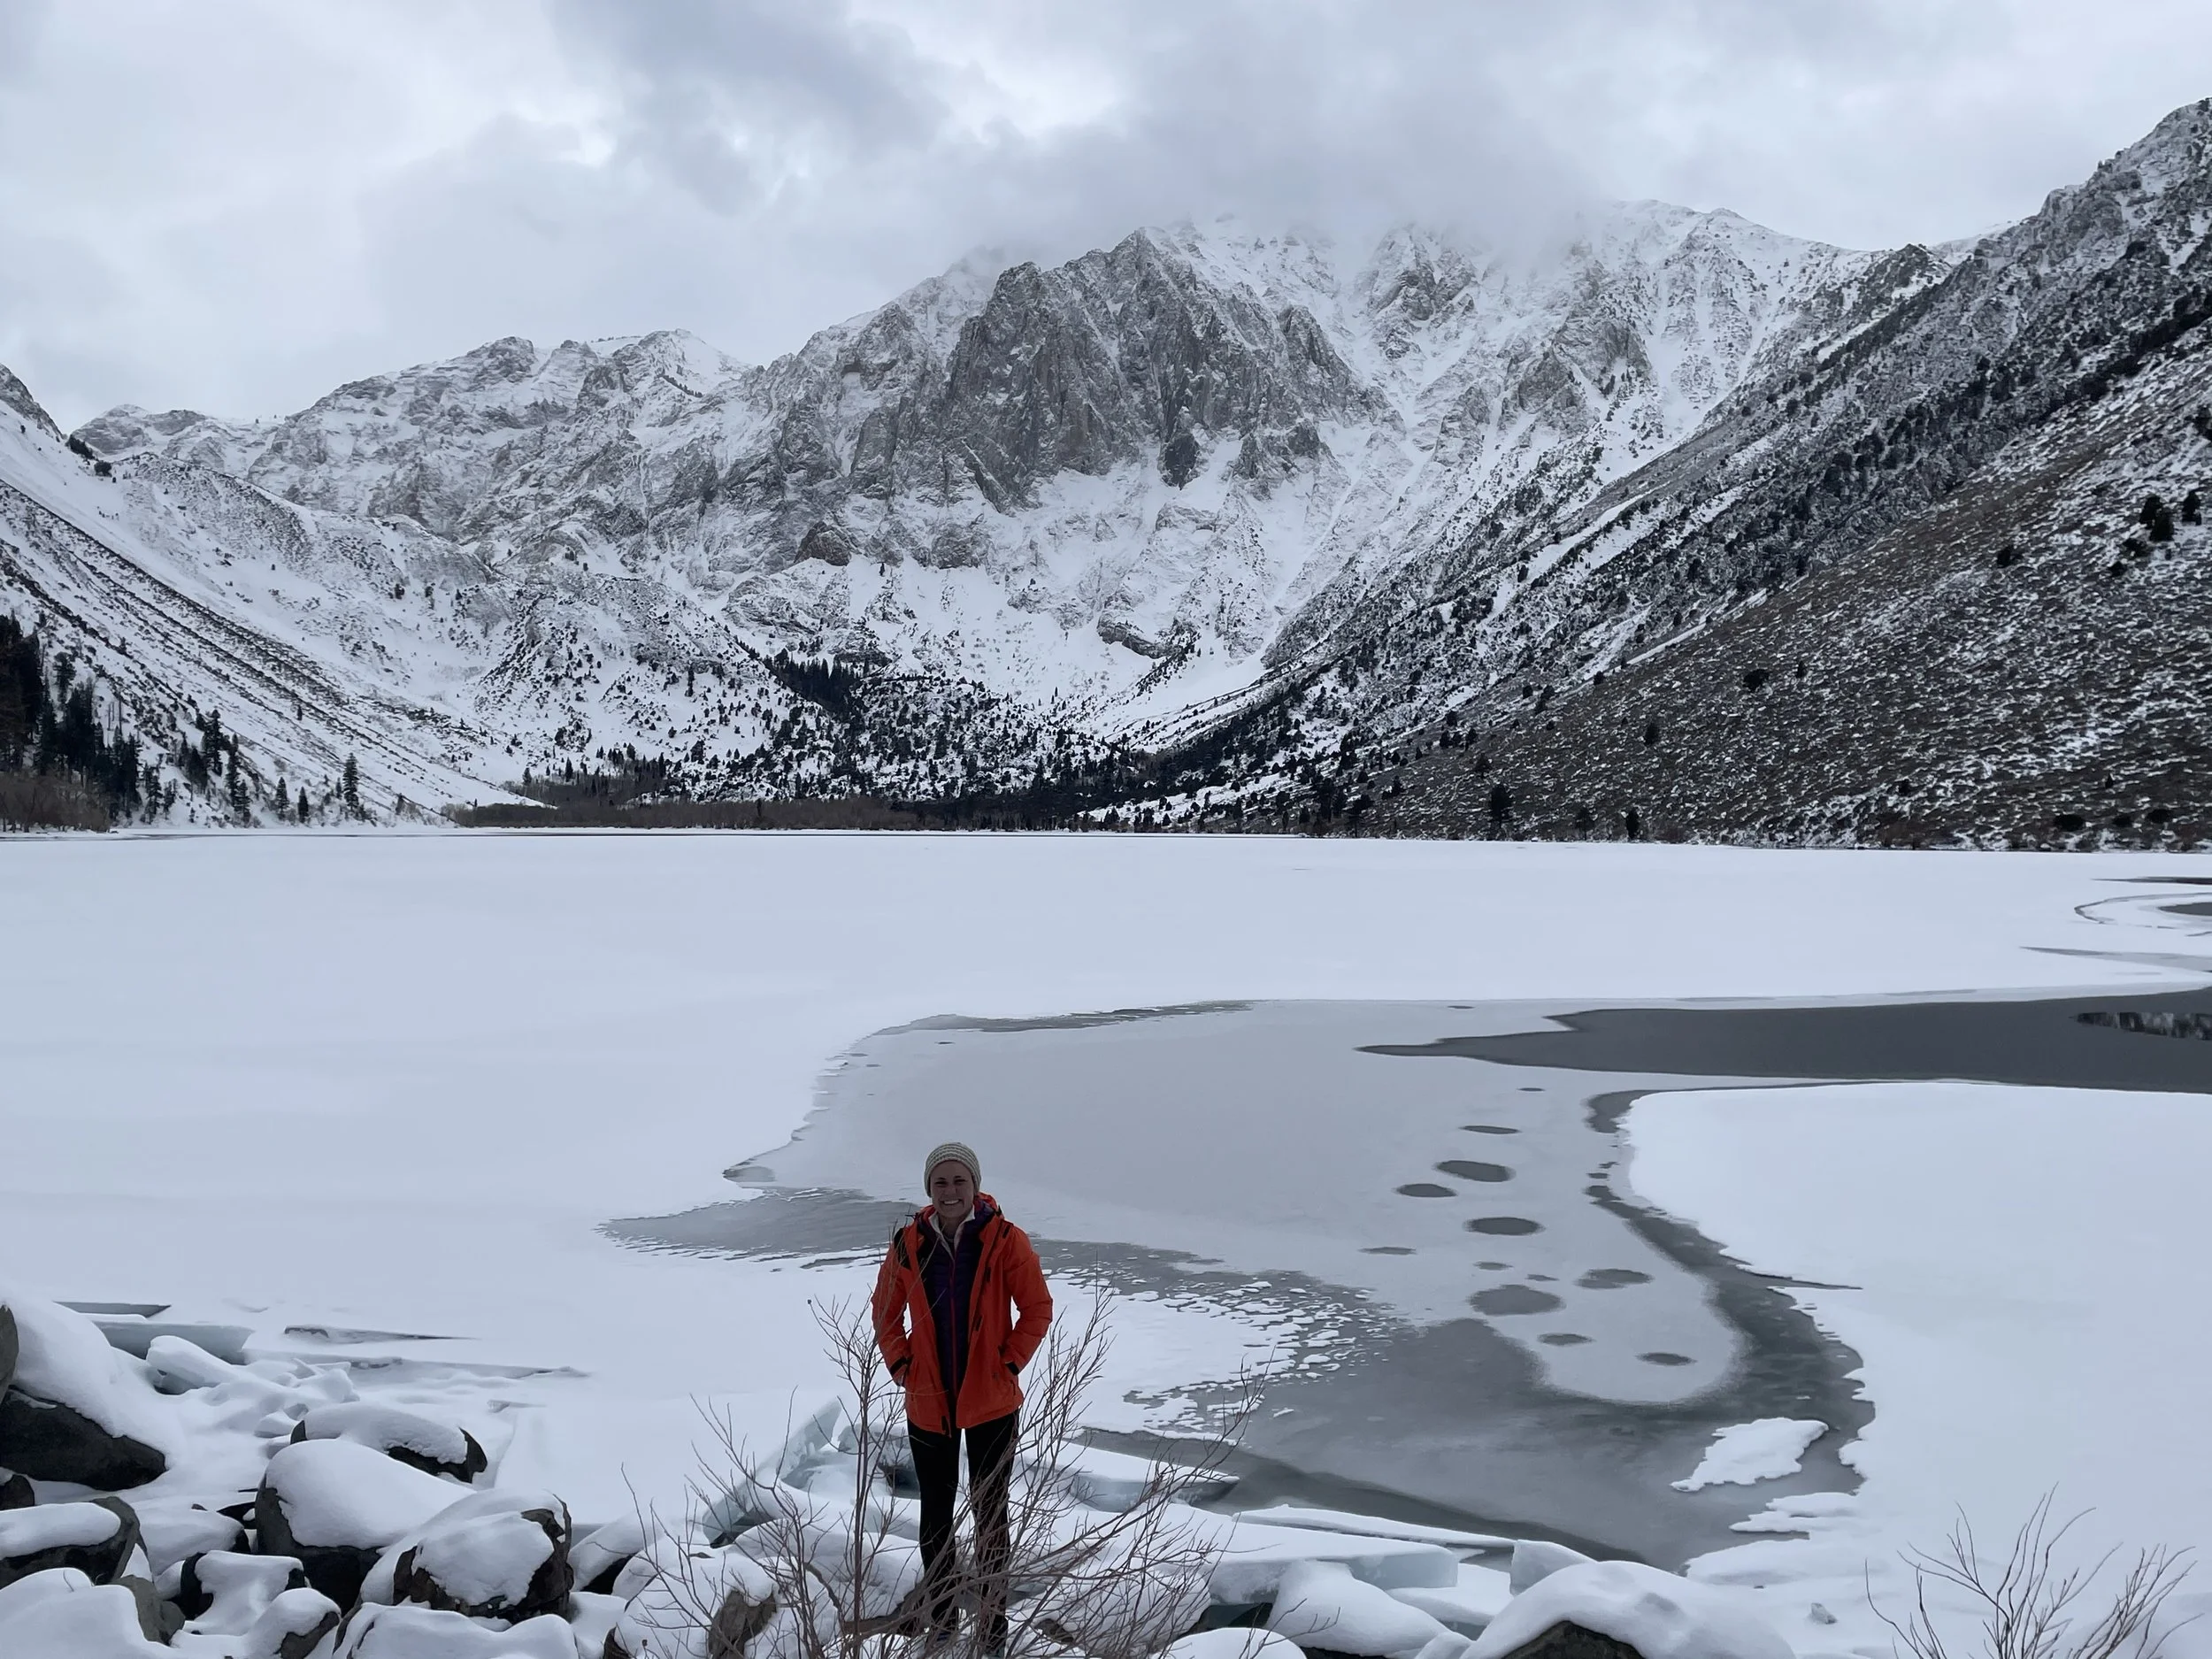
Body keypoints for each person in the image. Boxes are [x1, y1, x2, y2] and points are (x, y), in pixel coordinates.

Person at [872, 1141, 1053, 1652]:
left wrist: (1009, 1362)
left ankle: (994, 1630)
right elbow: (885, 1311)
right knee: (935, 1513)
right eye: (940, 1182)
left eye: (959, 1181)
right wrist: (902, 1364)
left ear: (975, 1185)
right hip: (930, 1400)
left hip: (991, 1402)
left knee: (991, 1515)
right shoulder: (910, 1244)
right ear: (929, 1189)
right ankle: (945, 1620)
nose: (950, 1191)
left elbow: (1037, 1307)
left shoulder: (1003, 1240)